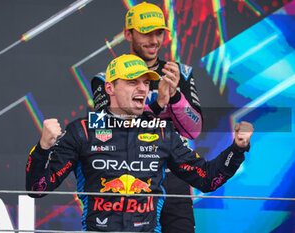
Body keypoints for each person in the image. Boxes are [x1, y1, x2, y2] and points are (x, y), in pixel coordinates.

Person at [26, 54, 253, 232]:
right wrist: (43, 148)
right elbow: (38, 189)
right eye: (132, 81)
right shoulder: (82, 130)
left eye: (145, 82)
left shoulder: (163, 132)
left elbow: (207, 179)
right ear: (110, 88)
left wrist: (237, 149)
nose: (142, 88)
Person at [91, 2, 202, 232]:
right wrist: (159, 103)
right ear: (127, 34)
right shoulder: (107, 78)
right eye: (145, 33)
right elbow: (106, 128)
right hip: (129, 178)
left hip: (174, 177)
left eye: (159, 32)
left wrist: (176, 97)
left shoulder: (180, 73)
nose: (154, 41)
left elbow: (194, 130)